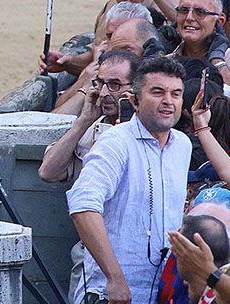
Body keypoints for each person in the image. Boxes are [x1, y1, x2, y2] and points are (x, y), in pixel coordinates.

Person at [68, 56, 190, 304]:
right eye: (157, 92)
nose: (168, 102)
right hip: (110, 295)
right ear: (135, 100)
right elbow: (83, 204)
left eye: (175, 94)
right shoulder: (116, 142)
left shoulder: (182, 145)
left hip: (163, 293)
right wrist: (114, 279)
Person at [42, 49, 142, 183]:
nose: (103, 93)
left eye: (114, 85)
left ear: (136, 88)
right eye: (100, 83)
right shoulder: (92, 129)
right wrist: (83, 121)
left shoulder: (153, 131)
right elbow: (47, 173)